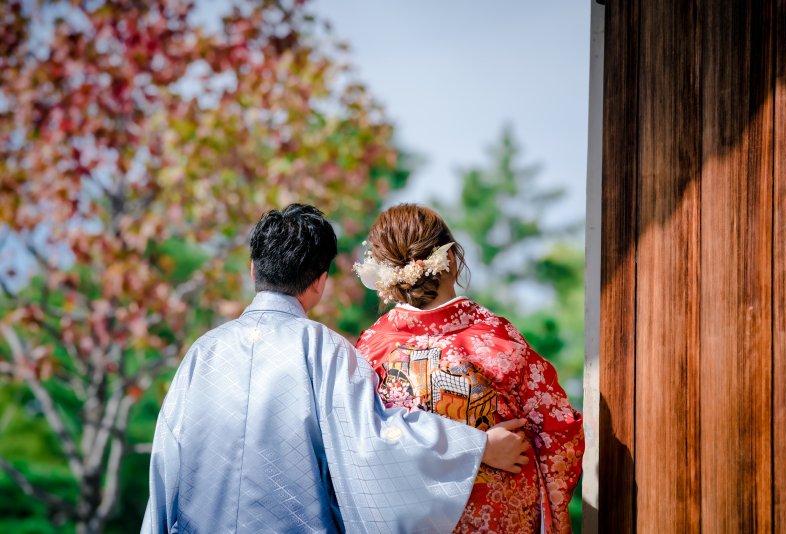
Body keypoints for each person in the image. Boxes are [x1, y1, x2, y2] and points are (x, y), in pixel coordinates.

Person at [140, 203, 530, 534]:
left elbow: (164, 463)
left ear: (254, 270)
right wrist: (476, 448)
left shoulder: (202, 352)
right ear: (320, 282)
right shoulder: (325, 350)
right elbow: (376, 439)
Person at [353, 204, 585, 534]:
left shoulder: (371, 350)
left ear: (385, 274)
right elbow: (560, 431)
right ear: (450, 259)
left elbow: (361, 445)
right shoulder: (495, 338)